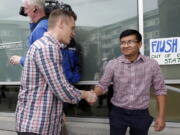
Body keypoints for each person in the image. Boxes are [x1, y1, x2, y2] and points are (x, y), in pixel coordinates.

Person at [15, 8, 97, 135]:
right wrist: (86, 94)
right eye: (72, 28)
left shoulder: (46, 46)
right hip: (36, 127)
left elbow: (48, 88)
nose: (73, 33)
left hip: (37, 125)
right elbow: (61, 90)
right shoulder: (47, 48)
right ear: (60, 24)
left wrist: (58, 113)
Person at [94, 29, 167, 135]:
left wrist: (161, 116)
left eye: (130, 42)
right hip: (118, 112)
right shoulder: (113, 64)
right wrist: (93, 94)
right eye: (122, 43)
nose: (125, 45)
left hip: (141, 113)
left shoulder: (152, 64)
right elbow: (103, 85)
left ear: (140, 44)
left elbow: (160, 90)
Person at [10, 0, 48, 66]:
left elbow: (43, 62)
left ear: (35, 9)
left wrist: (20, 60)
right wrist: (33, 23)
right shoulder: (46, 24)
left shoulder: (40, 29)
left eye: (26, 8)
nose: (25, 12)